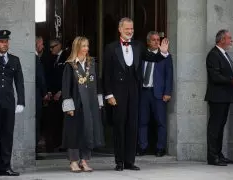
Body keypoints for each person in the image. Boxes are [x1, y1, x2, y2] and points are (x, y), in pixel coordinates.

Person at [102, 17, 169, 171]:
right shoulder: (111, 48)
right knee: (119, 126)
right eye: (127, 29)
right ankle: (119, 161)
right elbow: (106, 74)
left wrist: (162, 53)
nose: (130, 31)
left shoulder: (138, 46)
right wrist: (108, 94)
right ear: (120, 29)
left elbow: (152, 58)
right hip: (117, 93)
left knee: (133, 126)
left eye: (132, 29)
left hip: (134, 91)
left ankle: (129, 161)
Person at [0, 30, 25, 177]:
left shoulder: (14, 60)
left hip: (8, 102)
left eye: (6, 41)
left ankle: (6, 166)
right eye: (1, 41)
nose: (4, 44)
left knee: (7, 135)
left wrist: (21, 101)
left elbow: (19, 82)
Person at [61, 36, 104, 172]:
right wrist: (69, 106)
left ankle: (84, 160)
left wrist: (99, 102)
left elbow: (98, 84)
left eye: (87, 46)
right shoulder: (70, 65)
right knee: (74, 133)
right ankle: (73, 161)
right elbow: (66, 87)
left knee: (88, 132)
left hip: (90, 104)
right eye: (84, 46)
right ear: (77, 47)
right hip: (76, 104)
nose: (86, 49)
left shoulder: (91, 64)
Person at [205, 29, 233, 166]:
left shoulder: (224, 54)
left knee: (220, 127)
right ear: (222, 40)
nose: (231, 40)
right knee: (214, 128)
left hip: (225, 96)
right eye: (229, 38)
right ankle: (212, 157)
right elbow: (215, 76)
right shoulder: (213, 55)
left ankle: (219, 154)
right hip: (217, 97)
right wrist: (231, 80)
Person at [137, 31, 173, 157]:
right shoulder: (141, 54)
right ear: (148, 41)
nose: (157, 42)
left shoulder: (165, 56)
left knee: (161, 122)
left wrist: (167, 92)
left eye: (158, 39)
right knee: (142, 121)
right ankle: (142, 147)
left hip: (158, 93)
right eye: (154, 40)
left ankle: (160, 148)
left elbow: (169, 75)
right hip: (143, 92)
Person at [35, 36, 49, 153]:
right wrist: (45, 93)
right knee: (36, 121)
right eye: (41, 44)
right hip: (36, 95)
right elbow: (40, 77)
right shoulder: (35, 58)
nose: (43, 46)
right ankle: (34, 148)